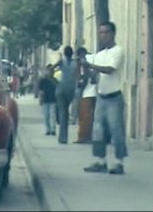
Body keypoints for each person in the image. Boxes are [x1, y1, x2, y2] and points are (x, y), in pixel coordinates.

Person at [83, 21, 126, 175]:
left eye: (106, 32)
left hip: (114, 96)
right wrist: (85, 68)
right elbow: (94, 76)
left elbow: (109, 70)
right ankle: (101, 161)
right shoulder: (99, 55)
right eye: (101, 32)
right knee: (98, 130)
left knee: (116, 130)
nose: (103, 35)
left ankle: (119, 162)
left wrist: (91, 65)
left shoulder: (118, 51)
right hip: (101, 96)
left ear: (113, 33)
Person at [53, 46, 78, 144]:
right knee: (66, 113)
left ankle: (62, 138)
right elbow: (78, 75)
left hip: (61, 88)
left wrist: (55, 81)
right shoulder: (75, 63)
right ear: (72, 53)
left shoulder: (62, 62)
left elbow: (50, 69)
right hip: (71, 89)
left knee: (63, 113)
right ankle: (64, 137)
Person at [75, 47, 97, 143]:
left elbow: (90, 75)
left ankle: (84, 137)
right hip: (88, 92)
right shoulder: (85, 61)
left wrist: (81, 83)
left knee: (86, 116)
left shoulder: (88, 60)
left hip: (88, 92)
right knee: (85, 115)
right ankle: (84, 136)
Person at [38, 64, 58, 135]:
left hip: (53, 100)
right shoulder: (43, 80)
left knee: (52, 115)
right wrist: (40, 99)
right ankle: (48, 129)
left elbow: (57, 90)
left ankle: (53, 129)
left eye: (52, 71)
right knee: (46, 116)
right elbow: (40, 91)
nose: (50, 72)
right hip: (45, 100)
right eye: (49, 70)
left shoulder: (55, 80)